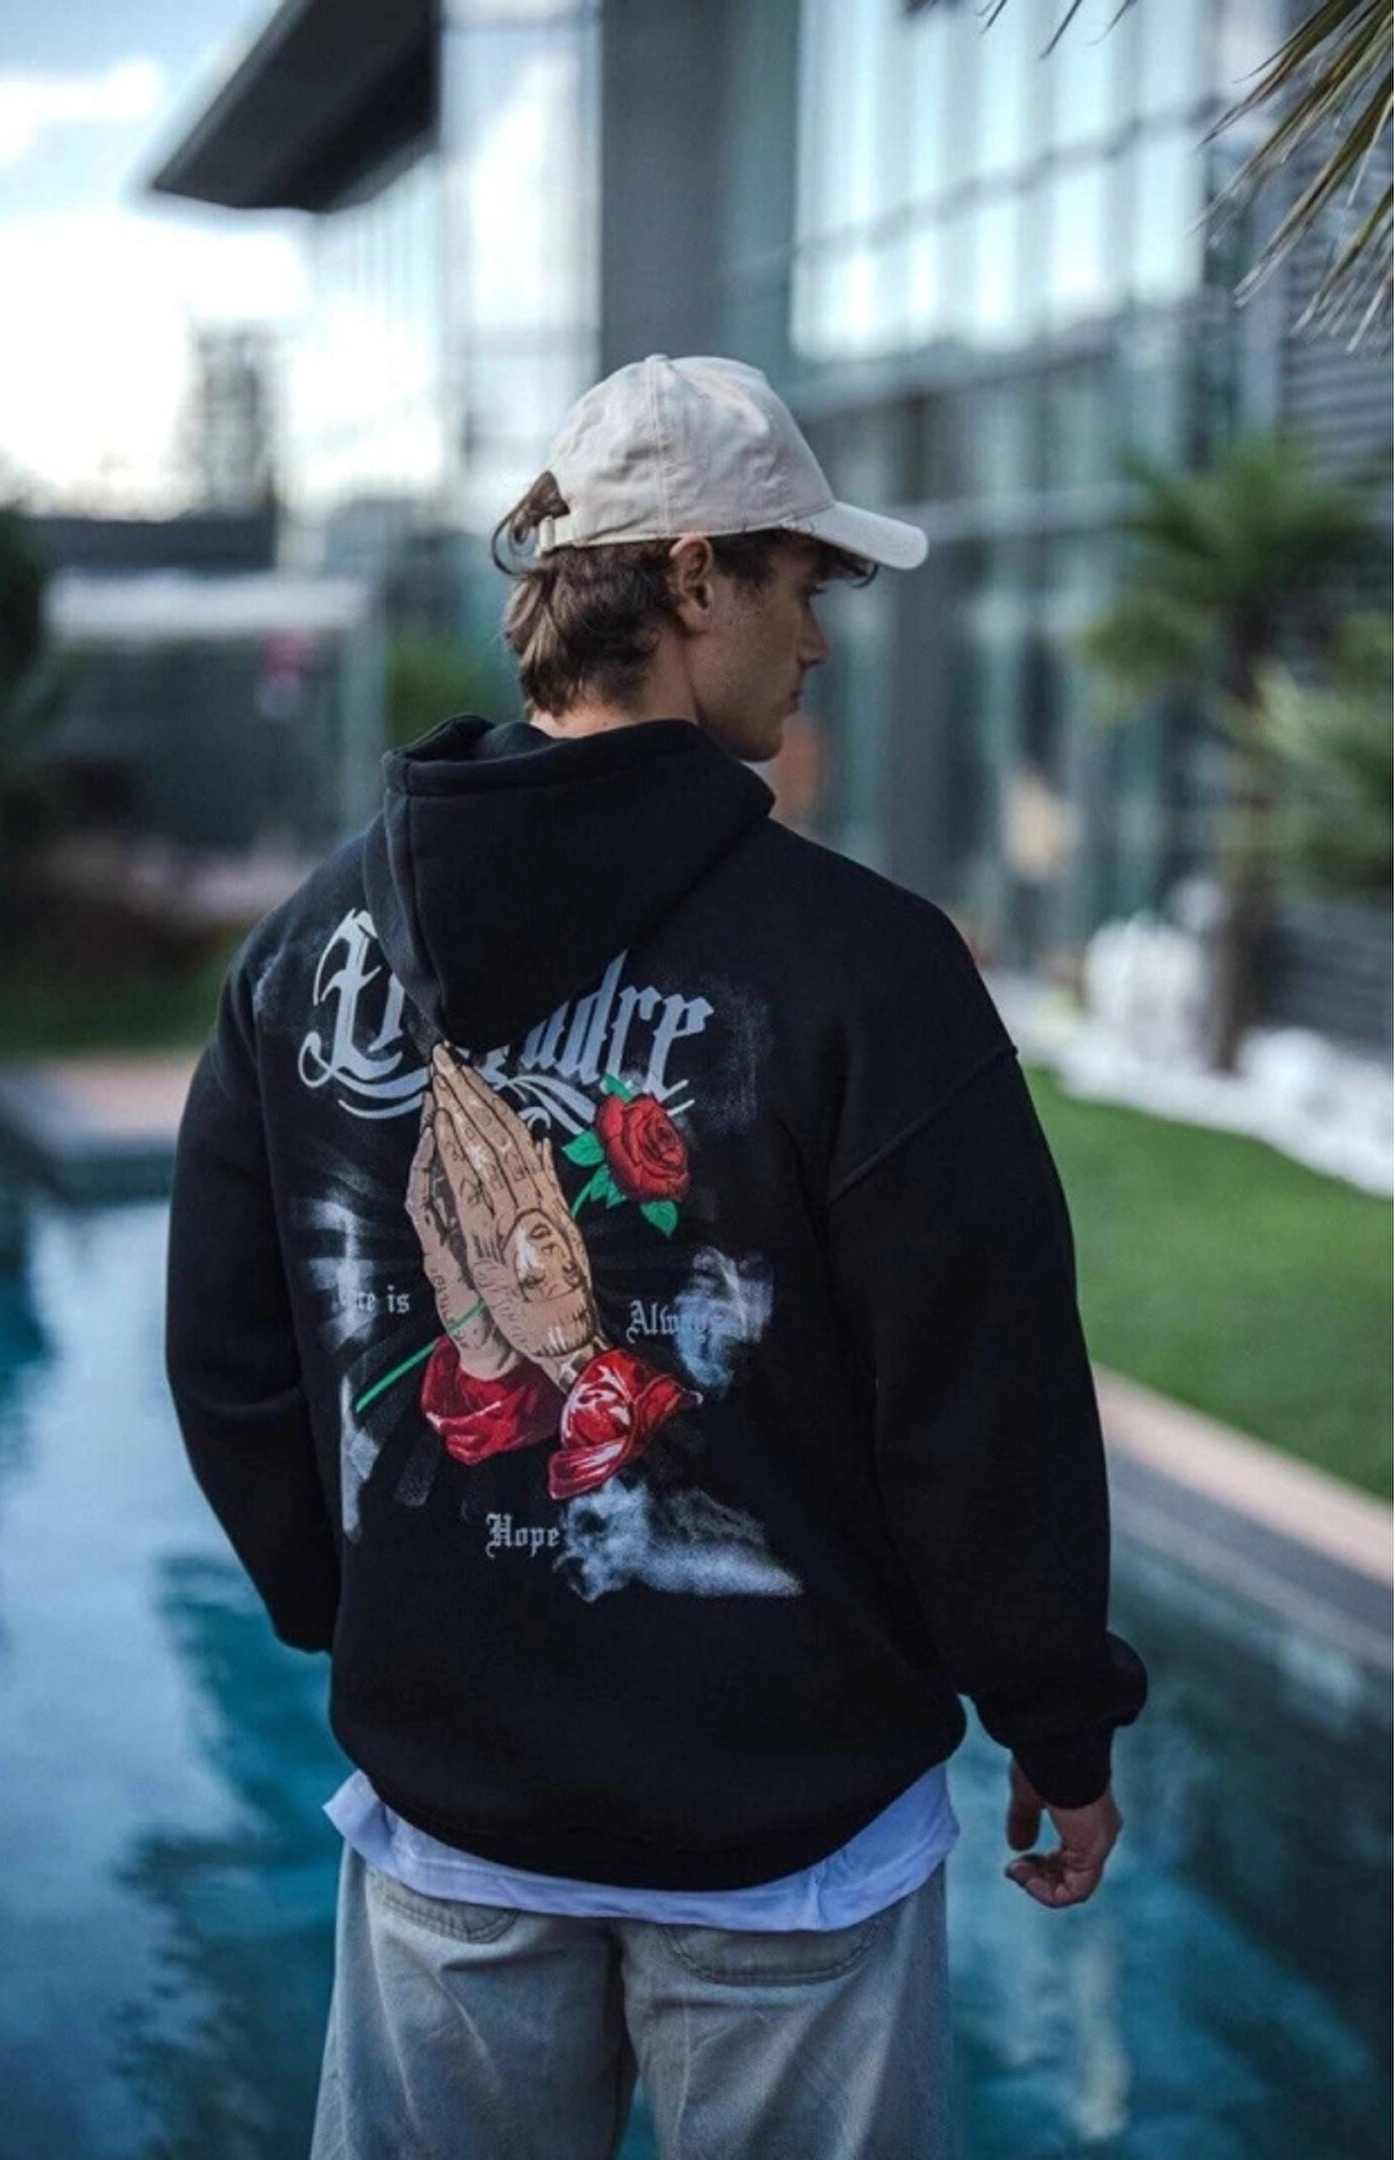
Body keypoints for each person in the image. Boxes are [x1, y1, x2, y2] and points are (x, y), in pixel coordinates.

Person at [166, 353, 1148, 2160]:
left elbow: (230, 1364)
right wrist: (1057, 1721)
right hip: (791, 1866)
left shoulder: (304, 951)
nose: (821, 641)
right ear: (695, 579)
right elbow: (982, 1396)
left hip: (455, 1829)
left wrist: (384, 1623)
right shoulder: (873, 967)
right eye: (803, 584)